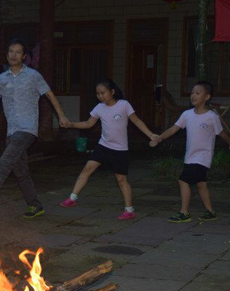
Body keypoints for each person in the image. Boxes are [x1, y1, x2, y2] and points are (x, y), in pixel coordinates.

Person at [0, 38, 69, 219]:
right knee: (21, 172)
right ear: (7, 55)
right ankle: (35, 206)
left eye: (17, 52)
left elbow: (49, 95)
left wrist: (61, 115)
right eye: (11, 52)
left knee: (5, 160)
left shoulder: (33, 76)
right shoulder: (2, 78)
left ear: (24, 56)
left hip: (27, 129)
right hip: (12, 131)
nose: (13, 55)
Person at [59, 79, 158, 220]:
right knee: (87, 170)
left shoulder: (124, 105)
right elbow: (88, 124)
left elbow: (136, 121)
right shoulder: (99, 108)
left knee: (121, 180)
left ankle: (129, 210)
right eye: (98, 94)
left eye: (103, 93)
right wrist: (71, 124)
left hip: (120, 150)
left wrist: (150, 135)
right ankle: (72, 198)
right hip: (103, 146)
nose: (100, 96)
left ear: (112, 92)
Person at [151, 81, 230, 223]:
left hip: (202, 157)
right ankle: (210, 211)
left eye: (198, 93)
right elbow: (173, 129)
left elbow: (221, 133)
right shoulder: (187, 114)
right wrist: (159, 138)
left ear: (207, 97)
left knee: (183, 180)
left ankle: (184, 212)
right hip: (190, 157)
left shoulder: (211, 117)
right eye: (192, 93)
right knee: (201, 184)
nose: (193, 95)